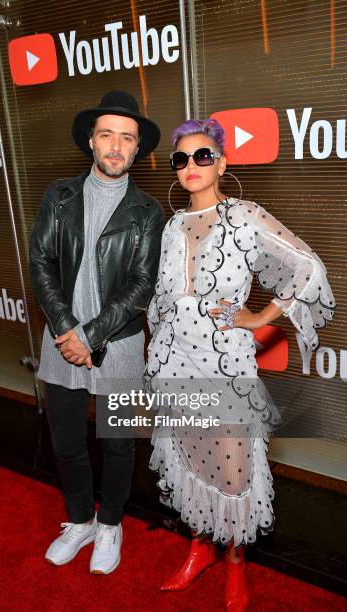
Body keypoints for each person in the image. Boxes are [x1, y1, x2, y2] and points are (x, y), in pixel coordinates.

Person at [145, 118, 336, 609]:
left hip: (225, 363)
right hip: (174, 361)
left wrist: (259, 317)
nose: (191, 166)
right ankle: (198, 549)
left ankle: (235, 564)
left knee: (232, 467)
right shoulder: (171, 227)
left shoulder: (245, 216)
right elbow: (164, 296)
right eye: (181, 159)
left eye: (202, 156)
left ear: (222, 164)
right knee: (188, 456)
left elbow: (306, 266)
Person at [29, 91, 164, 575]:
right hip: (59, 342)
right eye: (107, 134)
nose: (115, 145)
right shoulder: (59, 196)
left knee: (117, 442)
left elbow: (142, 285)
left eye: (126, 138)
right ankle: (80, 519)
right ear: (91, 140)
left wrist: (91, 336)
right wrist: (68, 329)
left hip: (121, 345)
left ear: (135, 150)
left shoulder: (147, 211)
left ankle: (111, 524)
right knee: (65, 441)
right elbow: (41, 263)